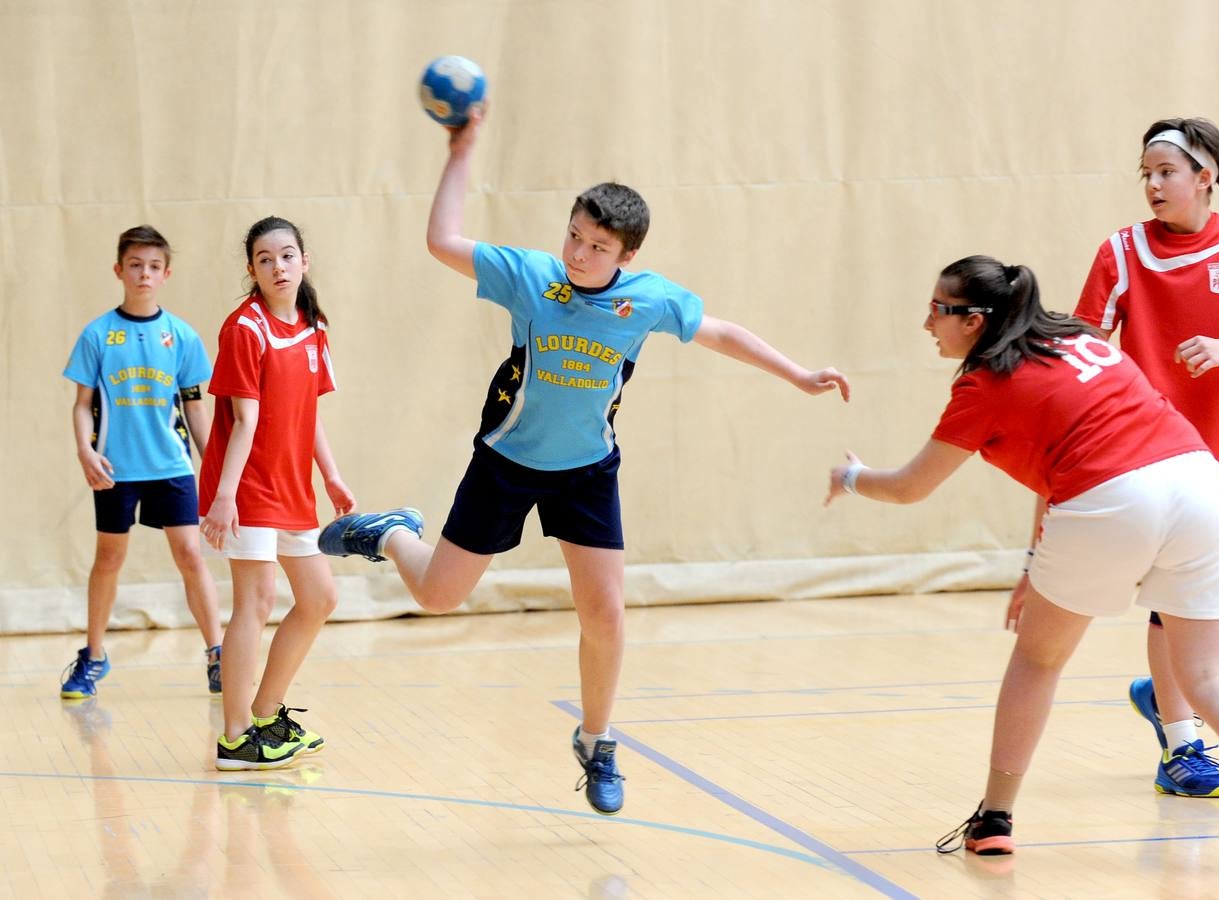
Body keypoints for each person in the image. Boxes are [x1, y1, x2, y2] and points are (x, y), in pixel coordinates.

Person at [318, 106, 850, 816]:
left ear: (626, 255)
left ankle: (597, 742)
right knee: (439, 597)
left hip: (586, 470)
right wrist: (463, 147)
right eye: (572, 235)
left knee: (604, 615)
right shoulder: (531, 278)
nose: (576, 252)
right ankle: (387, 531)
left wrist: (797, 374)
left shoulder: (648, 299)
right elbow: (440, 239)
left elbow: (721, 332)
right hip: (507, 459)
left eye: (595, 246)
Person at [827, 255, 1219, 868]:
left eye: (937, 311)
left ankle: (994, 818)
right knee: (1212, 676)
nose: (928, 324)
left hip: (1112, 497)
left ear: (975, 321)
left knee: (1039, 658)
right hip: (1199, 481)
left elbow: (907, 487)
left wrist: (850, 477)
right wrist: (1037, 559)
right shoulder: (1078, 340)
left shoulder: (983, 386)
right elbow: (1074, 452)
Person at [1075, 117, 1219, 798]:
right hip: (1154, 460)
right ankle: (1181, 747)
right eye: (1144, 173)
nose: (1151, 185)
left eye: (1164, 172)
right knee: (1175, 604)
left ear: (1204, 176)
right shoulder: (1120, 251)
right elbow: (1085, 344)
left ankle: (1160, 686)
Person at [199, 216, 357, 771]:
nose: (277, 267)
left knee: (319, 599)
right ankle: (235, 736)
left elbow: (309, 413)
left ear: (304, 261)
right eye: (265, 259)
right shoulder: (245, 329)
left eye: (287, 256)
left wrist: (331, 475)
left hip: (293, 487)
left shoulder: (314, 327)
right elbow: (243, 423)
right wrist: (223, 498)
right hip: (248, 486)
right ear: (252, 271)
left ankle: (267, 714)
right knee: (257, 603)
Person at [61, 225, 224, 699]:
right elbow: (81, 403)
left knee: (191, 556)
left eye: (154, 266)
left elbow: (195, 406)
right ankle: (93, 657)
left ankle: (217, 654)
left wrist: (212, 467)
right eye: (135, 265)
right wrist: (85, 450)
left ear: (166, 273)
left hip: (172, 468)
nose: (144, 274)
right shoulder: (98, 334)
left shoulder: (182, 337)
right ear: (119, 270)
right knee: (108, 558)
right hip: (115, 469)